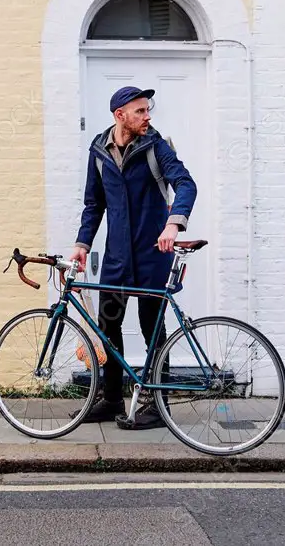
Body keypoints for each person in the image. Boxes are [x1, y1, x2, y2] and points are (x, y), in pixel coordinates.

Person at [70, 85, 197, 430]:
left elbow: (186, 184)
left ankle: (157, 405)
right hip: (116, 259)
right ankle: (111, 398)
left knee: (152, 328)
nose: (147, 116)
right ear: (119, 115)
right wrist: (82, 243)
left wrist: (173, 224)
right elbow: (94, 204)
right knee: (108, 325)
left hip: (153, 255)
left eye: (147, 109)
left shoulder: (156, 147)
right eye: (140, 111)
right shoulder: (99, 150)